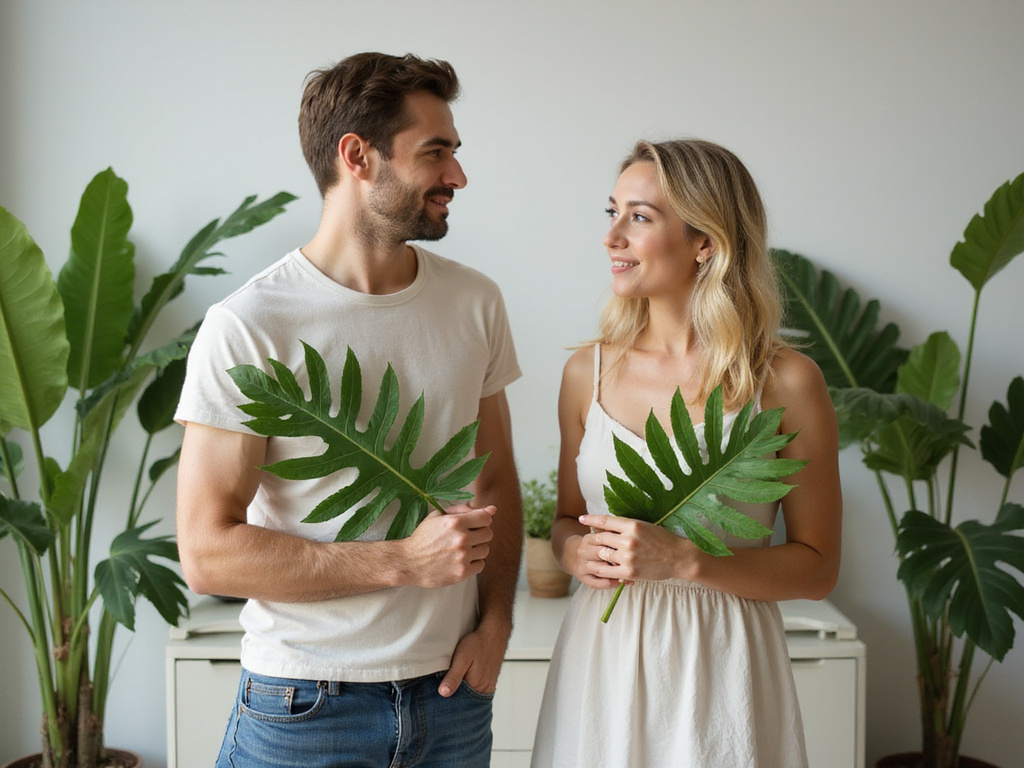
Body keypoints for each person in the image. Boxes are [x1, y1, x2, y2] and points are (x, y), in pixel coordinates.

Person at [174, 52, 522, 768]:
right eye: (436, 152)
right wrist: (399, 562)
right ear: (357, 156)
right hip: (304, 708)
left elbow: (495, 484)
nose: (458, 176)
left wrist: (497, 625)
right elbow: (207, 554)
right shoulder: (248, 326)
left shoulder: (475, 302)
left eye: (456, 152)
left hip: (452, 700)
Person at [530, 139, 842, 768]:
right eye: (611, 212)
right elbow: (567, 521)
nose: (612, 236)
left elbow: (817, 568)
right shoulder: (583, 373)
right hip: (603, 660)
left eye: (640, 217)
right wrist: (573, 551)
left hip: (724, 663)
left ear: (707, 241)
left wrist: (687, 563)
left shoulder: (785, 382)